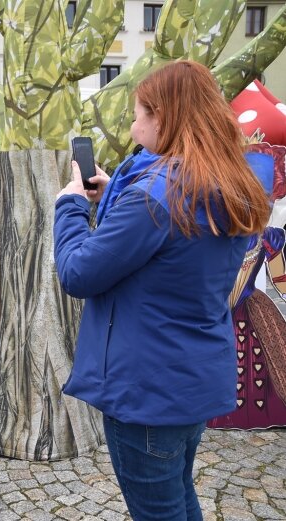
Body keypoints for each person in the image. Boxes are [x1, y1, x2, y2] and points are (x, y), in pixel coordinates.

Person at [53, 61, 270, 521]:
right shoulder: (227, 182)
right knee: (179, 498)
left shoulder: (155, 198)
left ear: (162, 118)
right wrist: (120, 192)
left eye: (137, 115)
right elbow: (171, 240)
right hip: (191, 381)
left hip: (147, 390)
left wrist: (70, 205)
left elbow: (76, 273)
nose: (132, 127)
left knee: (160, 510)